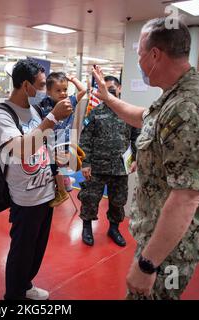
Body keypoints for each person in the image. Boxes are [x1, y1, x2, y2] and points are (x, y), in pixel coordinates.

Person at [90, 17, 199, 300]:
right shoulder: (174, 97)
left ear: (154, 55)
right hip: (162, 240)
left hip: (170, 253)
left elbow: (186, 198)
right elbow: (143, 118)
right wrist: (107, 98)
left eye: (139, 54)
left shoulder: (188, 107)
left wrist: (147, 263)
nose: (138, 61)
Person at [0, 59, 72, 300]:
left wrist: (55, 155)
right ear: (25, 85)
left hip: (45, 192)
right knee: (21, 252)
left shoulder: (34, 110)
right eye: (40, 84)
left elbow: (40, 143)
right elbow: (20, 149)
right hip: (25, 197)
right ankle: (13, 295)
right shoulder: (2, 114)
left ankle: (25, 285)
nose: (44, 90)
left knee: (36, 250)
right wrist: (52, 119)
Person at [78, 76, 140, 247]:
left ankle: (114, 229)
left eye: (113, 88)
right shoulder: (95, 112)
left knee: (118, 201)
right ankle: (87, 227)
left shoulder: (128, 112)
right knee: (90, 198)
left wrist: (135, 159)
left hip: (120, 168)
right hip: (97, 167)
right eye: (107, 88)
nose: (111, 91)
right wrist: (85, 163)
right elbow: (85, 139)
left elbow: (136, 138)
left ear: (119, 88)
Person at [38, 72, 86, 207]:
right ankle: (65, 182)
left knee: (56, 166)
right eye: (58, 90)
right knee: (54, 166)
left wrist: (73, 79)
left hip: (62, 142)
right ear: (48, 91)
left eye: (65, 89)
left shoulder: (69, 101)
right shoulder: (43, 104)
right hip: (49, 142)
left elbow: (83, 90)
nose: (63, 93)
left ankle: (62, 190)